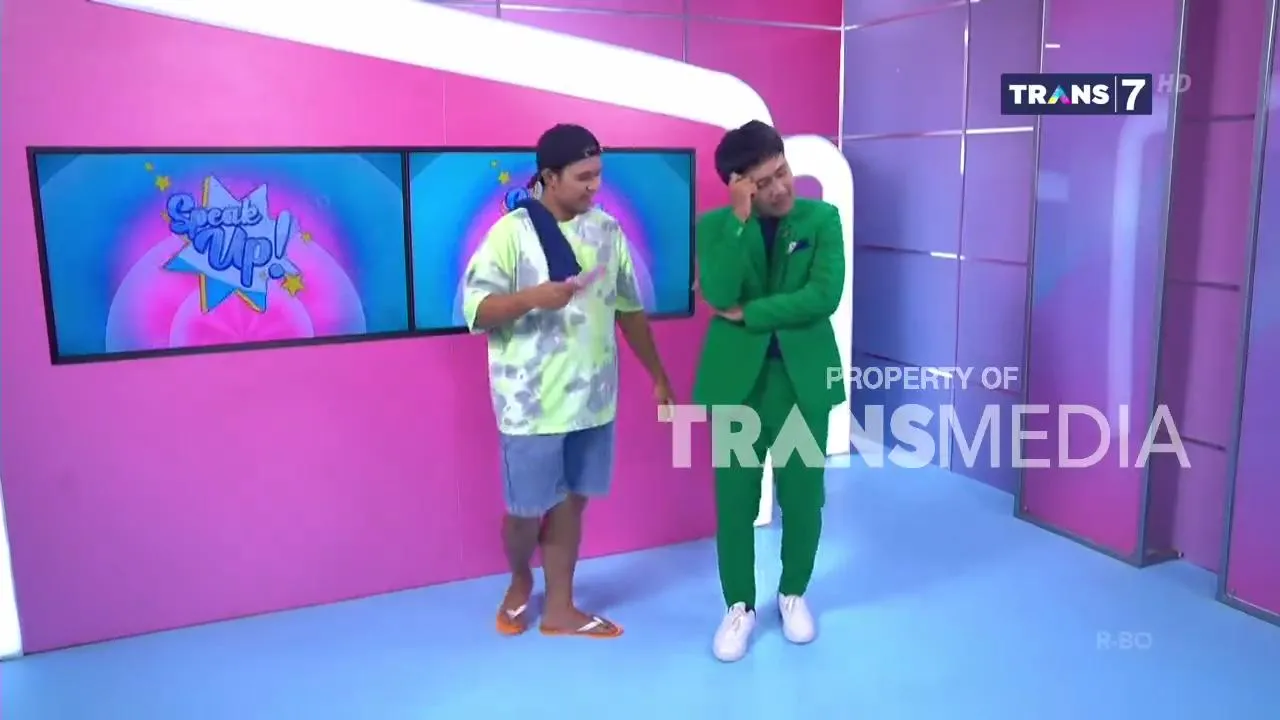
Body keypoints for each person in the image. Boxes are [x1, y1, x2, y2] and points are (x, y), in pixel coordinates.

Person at [463, 124, 674, 639]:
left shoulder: (607, 231)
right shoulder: (510, 234)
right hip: (530, 406)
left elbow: (629, 309)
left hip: (594, 401)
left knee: (571, 504)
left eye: (598, 174)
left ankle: (560, 608)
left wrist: (658, 375)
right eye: (583, 177)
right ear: (550, 177)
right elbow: (477, 309)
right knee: (525, 511)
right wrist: (533, 298)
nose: (594, 186)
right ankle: (520, 579)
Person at [692, 120, 846, 662]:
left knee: (803, 498)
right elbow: (719, 293)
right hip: (738, 385)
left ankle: (793, 593)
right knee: (735, 502)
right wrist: (739, 224)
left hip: (802, 382)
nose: (780, 188)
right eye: (763, 182)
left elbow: (823, 296)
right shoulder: (715, 228)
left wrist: (752, 314)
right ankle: (739, 606)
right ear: (739, 187)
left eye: (782, 171)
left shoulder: (822, 219)